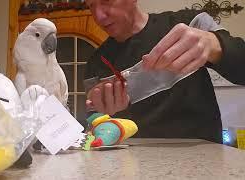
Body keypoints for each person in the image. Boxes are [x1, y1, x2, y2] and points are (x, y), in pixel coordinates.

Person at [83, 0, 245, 143]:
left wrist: (214, 45)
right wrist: (103, 117)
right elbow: (94, 124)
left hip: (204, 163)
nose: (99, 16)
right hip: (131, 167)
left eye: (106, 0)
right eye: (91, 5)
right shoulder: (96, 63)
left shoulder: (190, 23)